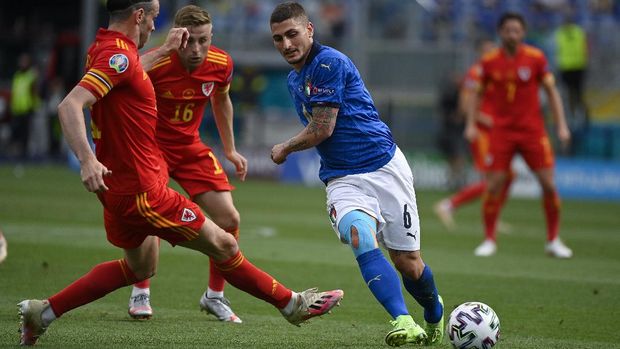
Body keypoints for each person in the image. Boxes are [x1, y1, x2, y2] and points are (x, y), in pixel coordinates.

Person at [17, 0, 343, 345]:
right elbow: (70, 104)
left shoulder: (106, 49)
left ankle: (45, 312)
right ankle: (291, 304)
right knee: (224, 244)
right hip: (142, 188)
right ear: (138, 16)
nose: (157, 27)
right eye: (155, 17)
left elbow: (126, 73)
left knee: (140, 267)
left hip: (121, 185)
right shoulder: (121, 55)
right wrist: (86, 159)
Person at [269, 2, 443, 346]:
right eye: (278, 39)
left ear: (310, 30)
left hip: (384, 167)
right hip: (343, 178)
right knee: (360, 235)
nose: (286, 44)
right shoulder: (294, 79)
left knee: (408, 264)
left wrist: (285, 148)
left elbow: (322, 129)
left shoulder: (329, 62)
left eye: (292, 34)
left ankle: (435, 313)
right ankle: (403, 321)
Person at [124, 5, 248, 323]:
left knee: (228, 216)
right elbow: (121, 77)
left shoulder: (221, 64)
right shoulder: (156, 62)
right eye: (189, 41)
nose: (195, 50)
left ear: (212, 37)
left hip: (190, 148)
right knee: (148, 213)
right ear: (176, 36)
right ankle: (141, 290)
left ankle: (215, 296)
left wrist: (230, 150)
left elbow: (221, 100)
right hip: (150, 149)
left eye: (203, 41)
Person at [464, 12, 573, 258]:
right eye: (507, 30)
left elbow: (552, 91)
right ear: (500, 32)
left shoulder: (535, 58)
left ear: (523, 33)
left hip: (532, 131)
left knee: (547, 183)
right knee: (492, 185)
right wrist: (471, 124)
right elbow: (476, 95)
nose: (512, 34)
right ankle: (489, 239)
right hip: (501, 131)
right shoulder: (489, 61)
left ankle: (553, 240)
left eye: (516, 30)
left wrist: (561, 125)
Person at [434, 39, 515, 234]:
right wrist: (485, 119)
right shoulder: (475, 73)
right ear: (480, 53)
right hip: (482, 133)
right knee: (494, 178)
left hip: (496, 132)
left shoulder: (495, 73)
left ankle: (492, 217)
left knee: (509, 175)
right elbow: (464, 106)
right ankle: (448, 205)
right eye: (487, 51)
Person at [555, 14, 589, 154]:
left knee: (578, 93)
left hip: (578, 67)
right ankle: (572, 114)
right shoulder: (560, 34)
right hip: (565, 67)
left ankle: (581, 114)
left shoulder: (578, 32)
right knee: (569, 93)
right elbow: (557, 51)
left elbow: (585, 48)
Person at [9, 52, 39, 159]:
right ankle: (17, 153)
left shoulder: (31, 75)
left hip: (27, 109)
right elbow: (14, 92)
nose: (22, 63)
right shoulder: (17, 75)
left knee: (25, 134)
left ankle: (24, 155)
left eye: (25, 61)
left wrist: (34, 105)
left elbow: (34, 91)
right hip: (17, 109)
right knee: (15, 133)